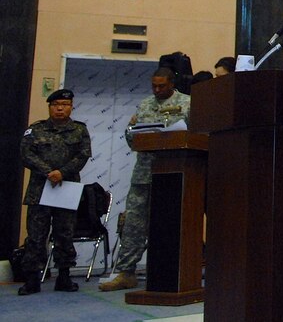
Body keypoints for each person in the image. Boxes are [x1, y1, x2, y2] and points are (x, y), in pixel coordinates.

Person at [99, 67, 191, 291]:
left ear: (172, 84)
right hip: (144, 173)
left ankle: (172, 273)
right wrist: (132, 132)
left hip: (175, 172)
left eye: (162, 86)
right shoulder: (145, 104)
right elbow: (132, 139)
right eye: (154, 86)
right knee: (133, 225)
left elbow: (196, 134)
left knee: (172, 225)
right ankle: (126, 272)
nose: (157, 90)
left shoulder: (189, 103)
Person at [18, 89, 92, 295]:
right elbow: (26, 154)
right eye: (56, 104)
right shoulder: (36, 129)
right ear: (50, 107)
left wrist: (62, 172)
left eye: (65, 104)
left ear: (71, 107)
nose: (60, 108)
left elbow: (83, 155)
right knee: (36, 235)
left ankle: (64, 277)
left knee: (65, 234)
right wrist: (48, 171)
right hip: (40, 190)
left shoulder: (79, 130)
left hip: (65, 189)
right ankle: (32, 279)